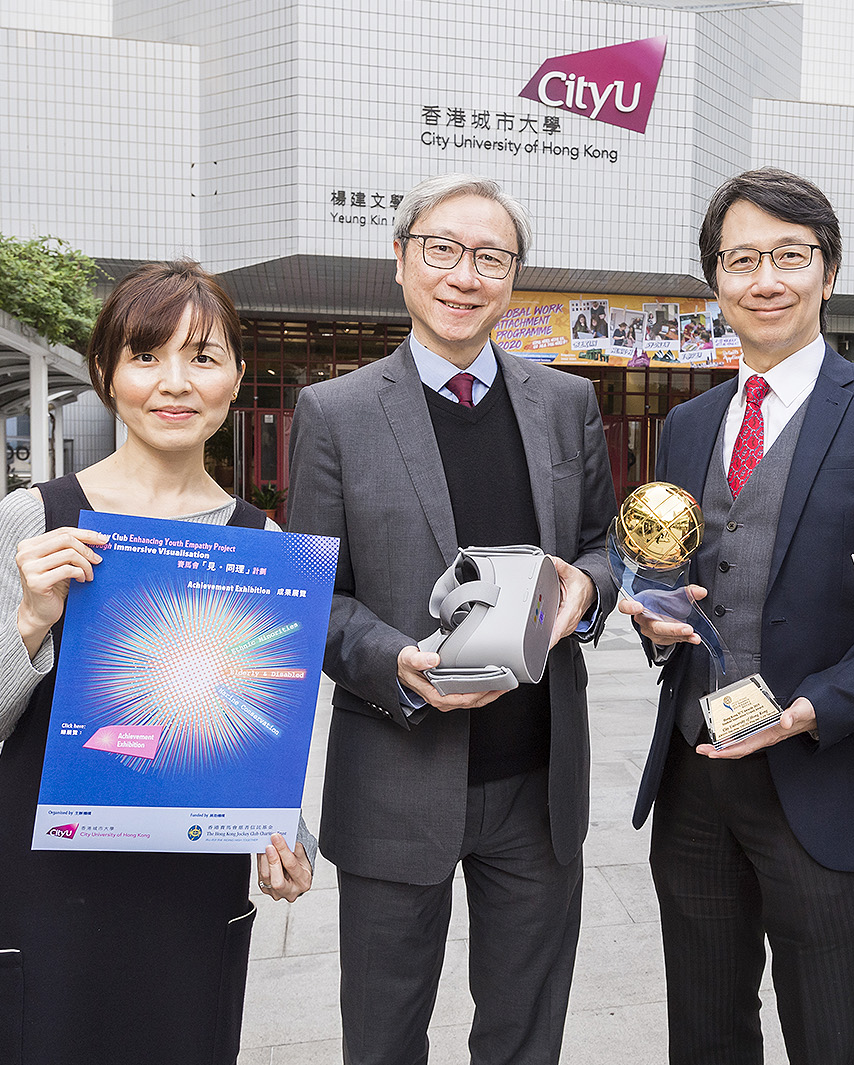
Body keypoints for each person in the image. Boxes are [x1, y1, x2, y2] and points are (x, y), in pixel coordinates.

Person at [621, 167, 854, 1064]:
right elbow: (672, 571)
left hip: (826, 768)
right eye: (742, 259)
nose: (765, 278)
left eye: (789, 255)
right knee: (702, 1025)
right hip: (696, 772)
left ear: (828, 271)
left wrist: (820, 705)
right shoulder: (690, 422)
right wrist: (650, 611)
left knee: (826, 1029)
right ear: (716, 282)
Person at [0, 260, 314, 1065]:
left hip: (185, 887)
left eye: (203, 357)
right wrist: (33, 620)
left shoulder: (262, 546)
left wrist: (286, 833)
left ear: (237, 378)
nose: (174, 383)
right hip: (39, 877)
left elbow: (252, 731)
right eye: (146, 356)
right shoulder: (38, 516)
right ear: (107, 373)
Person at [286, 174, 617, 1065]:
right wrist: (392, 658)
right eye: (443, 249)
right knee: (385, 1036)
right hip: (398, 774)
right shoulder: (336, 413)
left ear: (514, 277)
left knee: (524, 1033)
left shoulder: (565, 402)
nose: (465, 275)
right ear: (400, 260)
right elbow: (312, 593)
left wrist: (585, 593)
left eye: (491, 257)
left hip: (538, 779)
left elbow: (600, 545)